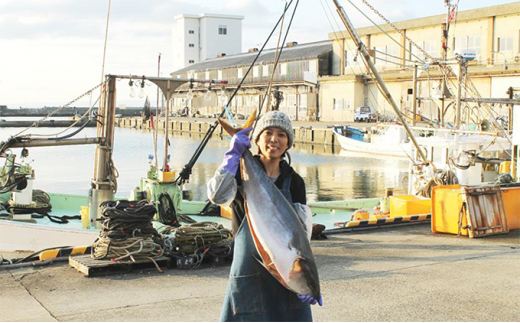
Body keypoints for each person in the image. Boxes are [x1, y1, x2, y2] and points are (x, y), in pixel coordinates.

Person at [207, 111, 322, 322]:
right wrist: (233, 156)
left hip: (287, 280)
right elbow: (216, 195)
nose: (274, 139)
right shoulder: (240, 173)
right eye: (268, 132)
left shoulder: (295, 181)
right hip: (249, 276)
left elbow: (302, 233)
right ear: (257, 139)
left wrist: (310, 283)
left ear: (288, 143)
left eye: (282, 134)